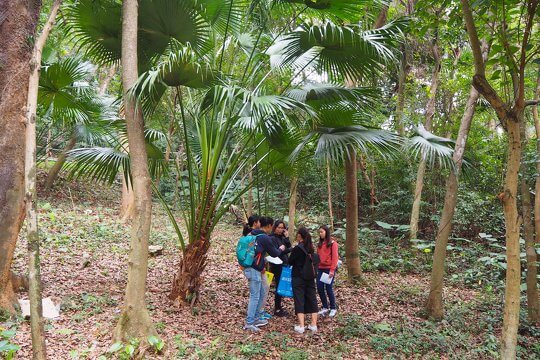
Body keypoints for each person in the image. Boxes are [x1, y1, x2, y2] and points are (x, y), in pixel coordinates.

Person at [243, 216, 285, 332]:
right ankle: (249, 322)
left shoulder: (251, 234)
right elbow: (275, 253)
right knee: (255, 295)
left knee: (260, 292)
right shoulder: (264, 237)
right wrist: (281, 248)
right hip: (254, 269)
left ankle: (256, 318)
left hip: (250, 267)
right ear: (270, 226)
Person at [288, 227, 318, 333]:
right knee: (312, 298)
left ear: (299, 236)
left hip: (298, 277)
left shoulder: (297, 248)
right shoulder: (311, 248)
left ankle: (301, 326)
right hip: (310, 277)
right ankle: (314, 324)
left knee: (299, 299)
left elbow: (290, 261)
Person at [270, 220, 292, 316]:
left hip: (283, 264)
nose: (280, 229)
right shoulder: (272, 238)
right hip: (276, 265)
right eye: (278, 227)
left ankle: (278, 306)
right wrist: (289, 250)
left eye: (282, 228)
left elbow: (288, 246)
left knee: (281, 286)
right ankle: (277, 308)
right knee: (278, 286)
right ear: (274, 227)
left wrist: (287, 237)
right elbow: (276, 252)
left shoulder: (282, 238)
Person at [316, 225, 339, 317]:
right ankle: (325, 307)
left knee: (328, 288)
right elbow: (318, 256)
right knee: (320, 287)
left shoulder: (333, 243)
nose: (320, 234)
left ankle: (333, 307)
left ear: (326, 232)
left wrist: (332, 270)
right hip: (320, 268)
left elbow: (335, 258)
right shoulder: (320, 244)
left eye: (322, 232)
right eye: (319, 232)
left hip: (329, 268)